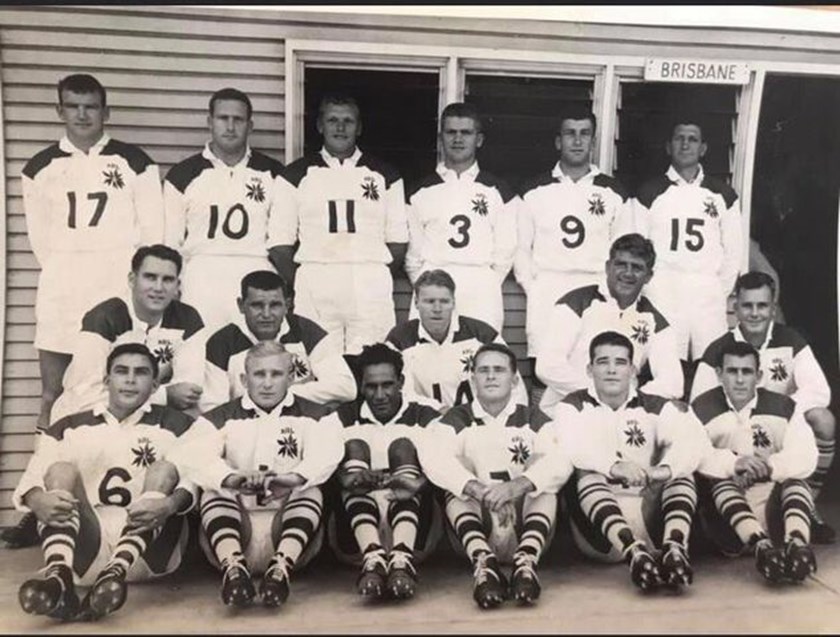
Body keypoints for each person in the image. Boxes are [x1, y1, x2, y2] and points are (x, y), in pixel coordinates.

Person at [22, 73, 164, 434]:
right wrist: (67, 265)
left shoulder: (135, 162)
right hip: (62, 287)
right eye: (73, 106)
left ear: (106, 112)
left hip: (113, 285)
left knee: (119, 385)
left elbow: (153, 234)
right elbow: (40, 239)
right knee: (53, 393)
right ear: (59, 110)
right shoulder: (39, 168)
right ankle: (45, 470)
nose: (82, 115)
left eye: (91, 107)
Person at [14, 343, 196, 622]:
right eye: (122, 371)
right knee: (60, 470)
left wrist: (170, 505)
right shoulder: (69, 426)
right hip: (87, 545)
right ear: (106, 379)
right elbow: (31, 481)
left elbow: (194, 480)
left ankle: (116, 571)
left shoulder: (178, 424)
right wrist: (38, 500)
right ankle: (59, 576)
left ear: (156, 382)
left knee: (164, 468)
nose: (131, 380)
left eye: (142, 373)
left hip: (151, 551)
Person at [173, 342, 343, 608]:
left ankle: (280, 570)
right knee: (213, 488)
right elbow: (194, 457)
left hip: (290, 533)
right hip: (234, 530)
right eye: (259, 374)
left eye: (276, 374)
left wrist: (291, 479)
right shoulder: (219, 417)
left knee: (310, 488)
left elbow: (327, 455)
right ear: (244, 378)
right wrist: (232, 479)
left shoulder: (317, 415)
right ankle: (234, 569)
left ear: (290, 377)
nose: (267, 383)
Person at [419, 343, 571, 609]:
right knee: (455, 479)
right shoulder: (456, 418)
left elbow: (562, 460)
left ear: (514, 380)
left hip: (526, 524)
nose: (490, 376)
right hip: (477, 526)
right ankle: (484, 563)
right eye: (483, 370)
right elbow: (433, 459)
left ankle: (526, 562)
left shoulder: (533, 417)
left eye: (499, 370)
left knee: (545, 477)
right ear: (472, 377)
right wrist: (477, 489)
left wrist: (518, 486)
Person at [692, 271, 836, 543]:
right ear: (735, 307)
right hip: (735, 434)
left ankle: (807, 505)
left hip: (777, 431)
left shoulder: (790, 340)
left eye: (762, 305)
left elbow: (819, 391)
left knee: (823, 419)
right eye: (747, 305)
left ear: (773, 307)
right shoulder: (719, 349)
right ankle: (725, 506)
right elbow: (700, 405)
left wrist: (777, 409)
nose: (755, 313)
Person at [556, 331, 705, 592]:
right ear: (590, 369)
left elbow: (694, 444)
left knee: (681, 471)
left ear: (634, 370)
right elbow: (571, 446)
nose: (612, 370)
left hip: (650, 516)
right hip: (602, 533)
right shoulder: (572, 405)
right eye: (603, 362)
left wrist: (663, 470)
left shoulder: (656, 406)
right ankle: (632, 550)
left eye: (620, 362)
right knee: (585, 471)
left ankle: (674, 547)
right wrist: (614, 466)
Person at [271, 95, 408, 353]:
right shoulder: (295, 175)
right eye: (333, 120)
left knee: (372, 359)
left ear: (359, 127)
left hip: (368, 279)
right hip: (317, 278)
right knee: (316, 360)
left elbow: (398, 240)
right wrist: (303, 281)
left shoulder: (385, 174)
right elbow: (279, 244)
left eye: (348, 121)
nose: (340, 127)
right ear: (320, 125)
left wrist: (374, 276)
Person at [515, 106, 633, 366]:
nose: (577, 141)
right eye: (570, 133)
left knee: (593, 364)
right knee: (546, 370)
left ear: (593, 140)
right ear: (558, 141)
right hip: (549, 289)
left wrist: (608, 292)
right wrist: (534, 288)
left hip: (595, 289)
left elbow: (625, 251)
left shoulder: (613, 191)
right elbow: (521, 248)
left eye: (584, 134)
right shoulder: (534, 190)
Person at [693, 340, 818, 584]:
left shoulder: (783, 407)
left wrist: (770, 467)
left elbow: (807, 454)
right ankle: (761, 547)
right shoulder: (700, 408)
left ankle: (797, 544)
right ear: (719, 374)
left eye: (747, 371)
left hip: (774, 514)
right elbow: (695, 455)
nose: (740, 380)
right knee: (720, 481)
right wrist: (734, 464)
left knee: (796, 480)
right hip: (727, 523)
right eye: (732, 371)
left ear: (759, 375)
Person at [164, 88, 286, 332]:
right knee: (201, 351)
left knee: (255, 355)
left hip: (255, 271)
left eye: (238, 120)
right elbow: (171, 242)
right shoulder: (182, 174)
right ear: (210, 122)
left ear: (250, 126)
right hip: (202, 276)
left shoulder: (273, 173)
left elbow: (281, 237)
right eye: (223, 118)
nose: (230, 127)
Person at [330, 344, 444, 601]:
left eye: (387, 384)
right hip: (355, 538)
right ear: (360, 385)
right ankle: (373, 558)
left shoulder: (425, 416)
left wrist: (419, 483)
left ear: (401, 382)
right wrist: (345, 478)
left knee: (403, 447)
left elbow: (447, 465)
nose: (380, 394)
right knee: (354, 447)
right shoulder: (342, 417)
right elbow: (320, 463)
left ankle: (402, 560)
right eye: (371, 386)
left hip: (416, 536)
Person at [49, 245, 205, 426]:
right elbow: (86, 393)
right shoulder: (103, 318)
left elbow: (188, 392)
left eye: (168, 280)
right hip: (86, 417)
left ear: (178, 285)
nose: (158, 287)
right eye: (150, 277)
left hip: (146, 418)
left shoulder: (188, 319)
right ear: (132, 279)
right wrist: (165, 395)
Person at [632, 115, 742, 366]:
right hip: (665, 289)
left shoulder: (722, 194)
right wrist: (651, 289)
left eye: (692, 139)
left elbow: (733, 252)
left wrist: (716, 289)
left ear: (703, 148)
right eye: (679, 138)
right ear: (668, 146)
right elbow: (638, 248)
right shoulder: (649, 192)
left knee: (711, 362)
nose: (685, 145)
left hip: (707, 290)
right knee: (666, 360)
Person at [536, 233, 683, 414]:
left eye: (637, 268)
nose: (628, 273)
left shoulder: (654, 320)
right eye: (621, 264)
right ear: (607, 267)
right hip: (566, 410)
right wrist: (599, 395)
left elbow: (673, 382)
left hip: (624, 415)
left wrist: (629, 400)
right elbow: (547, 366)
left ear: (648, 276)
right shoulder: (576, 303)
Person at [404, 102, 518, 331]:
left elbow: (506, 250)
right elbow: (413, 256)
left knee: (481, 355)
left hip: (480, 286)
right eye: (451, 132)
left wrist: (484, 282)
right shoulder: (419, 192)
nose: (458, 139)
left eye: (465, 132)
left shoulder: (498, 191)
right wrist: (426, 285)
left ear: (479, 139)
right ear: (441, 138)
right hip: (433, 283)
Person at [202, 270, 356, 412]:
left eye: (275, 305)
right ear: (241, 305)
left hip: (298, 422)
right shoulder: (222, 342)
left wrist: (281, 394)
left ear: (287, 305)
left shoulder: (306, 331)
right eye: (257, 305)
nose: (266, 314)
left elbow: (346, 387)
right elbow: (212, 408)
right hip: (246, 425)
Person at [386, 269, 527, 409]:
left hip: (477, 425)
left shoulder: (482, 335)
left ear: (453, 303)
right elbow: (393, 391)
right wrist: (437, 409)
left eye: (444, 301)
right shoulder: (399, 340)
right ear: (416, 303)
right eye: (429, 301)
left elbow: (515, 387)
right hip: (424, 425)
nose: (437, 308)